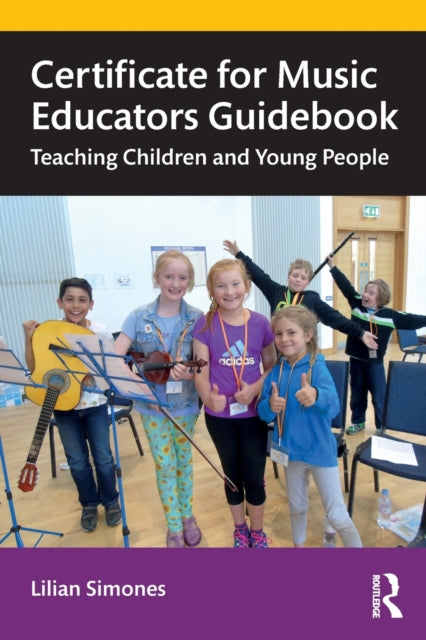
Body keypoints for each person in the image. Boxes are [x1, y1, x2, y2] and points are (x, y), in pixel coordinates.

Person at [114, 250, 204, 548]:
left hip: (185, 405)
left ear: (189, 281)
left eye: (182, 277)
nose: (175, 283)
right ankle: (174, 524)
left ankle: (188, 515)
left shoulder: (197, 318)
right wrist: (140, 387)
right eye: (169, 276)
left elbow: (204, 363)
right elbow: (115, 358)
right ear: (157, 278)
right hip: (151, 407)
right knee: (164, 464)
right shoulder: (138, 316)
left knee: (183, 462)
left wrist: (189, 373)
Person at [257, 305, 362, 547]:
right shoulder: (275, 372)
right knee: (296, 507)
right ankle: (299, 547)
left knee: (337, 515)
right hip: (290, 453)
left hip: (320, 452)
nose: (284, 339)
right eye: (279, 333)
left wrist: (316, 394)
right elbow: (263, 413)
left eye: (291, 332)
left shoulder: (318, 368)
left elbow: (334, 408)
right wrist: (270, 406)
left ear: (308, 335)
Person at [23, 277, 121, 533]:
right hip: (63, 406)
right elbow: (35, 369)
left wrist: (92, 375)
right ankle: (89, 504)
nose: (76, 306)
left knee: (103, 458)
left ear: (91, 304)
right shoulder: (48, 332)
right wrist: (28, 338)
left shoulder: (99, 333)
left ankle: (111, 501)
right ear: (60, 302)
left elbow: (110, 370)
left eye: (82, 300)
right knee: (76, 461)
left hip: (95, 405)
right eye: (69, 300)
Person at [192, 258, 276, 548]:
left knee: (254, 475)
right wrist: (207, 397)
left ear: (247, 286)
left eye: (235, 284)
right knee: (231, 475)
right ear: (211, 291)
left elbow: (272, 366)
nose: (229, 292)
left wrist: (254, 389)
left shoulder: (261, 324)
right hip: (220, 418)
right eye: (221, 286)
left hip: (254, 415)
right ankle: (240, 529)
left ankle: (258, 531)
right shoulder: (205, 325)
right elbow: (200, 371)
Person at [327, 254, 426, 434]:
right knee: (357, 394)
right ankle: (358, 421)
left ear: (380, 299)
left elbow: (414, 319)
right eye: (365, 290)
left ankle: (381, 426)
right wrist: (332, 267)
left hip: (375, 364)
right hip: (356, 360)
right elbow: (345, 286)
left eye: (371, 293)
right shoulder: (357, 304)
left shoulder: (390, 316)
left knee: (379, 396)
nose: (365, 294)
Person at [223, 239, 378, 351]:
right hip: (280, 351)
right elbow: (259, 275)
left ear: (307, 283)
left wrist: (361, 333)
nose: (298, 280)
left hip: (304, 354)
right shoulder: (276, 291)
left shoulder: (312, 299)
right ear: (288, 277)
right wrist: (239, 254)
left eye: (303, 278)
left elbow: (336, 318)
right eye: (295, 275)